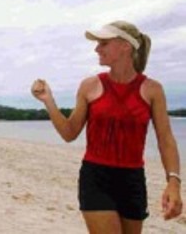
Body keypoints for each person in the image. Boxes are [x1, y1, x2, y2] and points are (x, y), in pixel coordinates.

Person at [31, 20, 182, 233]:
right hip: (96, 178)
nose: (97, 49)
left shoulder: (152, 90)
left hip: (133, 181)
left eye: (103, 43)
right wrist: (49, 101)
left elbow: (165, 140)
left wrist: (173, 182)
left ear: (125, 46)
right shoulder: (89, 86)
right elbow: (69, 132)